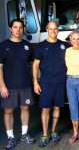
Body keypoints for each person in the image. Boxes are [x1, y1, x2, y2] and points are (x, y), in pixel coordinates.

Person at [32, 21, 69, 147]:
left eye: (55, 29)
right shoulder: (41, 46)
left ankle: (53, 131)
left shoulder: (64, 45)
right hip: (46, 82)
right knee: (45, 108)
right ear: (47, 30)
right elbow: (35, 65)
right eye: (51, 29)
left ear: (58, 30)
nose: (53, 31)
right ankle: (44, 134)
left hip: (60, 81)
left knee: (57, 107)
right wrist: (35, 82)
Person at [0, 19, 35, 150]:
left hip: (25, 84)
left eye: (20, 27)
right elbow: (0, 67)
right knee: (8, 111)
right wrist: (2, 85)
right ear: (11, 29)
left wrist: (33, 80)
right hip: (8, 85)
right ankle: (10, 137)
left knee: (25, 109)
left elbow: (32, 65)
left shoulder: (28, 45)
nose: (18, 30)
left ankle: (24, 134)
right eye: (15, 27)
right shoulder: (3, 45)